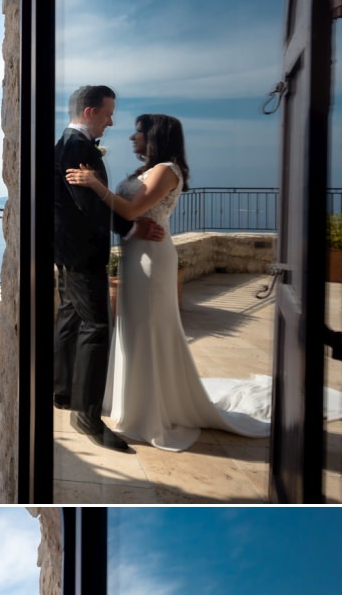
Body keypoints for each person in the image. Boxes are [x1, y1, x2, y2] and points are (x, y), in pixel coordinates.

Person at [66, 114, 280, 450]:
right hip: (136, 256)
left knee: (149, 326)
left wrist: (94, 183)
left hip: (153, 260)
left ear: (154, 137)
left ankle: (150, 410)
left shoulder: (167, 170)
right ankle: (130, 401)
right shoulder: (148, 171)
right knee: (134, 327)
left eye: (138, 132)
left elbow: (132, 210)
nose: (131, 138)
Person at [53, 85, 165, 453]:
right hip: (82, 253)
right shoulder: (76, 146)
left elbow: (87, 201)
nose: (111, 121)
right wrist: (130, 228)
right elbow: (87, 205)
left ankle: (64, 392)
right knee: (95, 327)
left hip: (69, 251)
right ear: (89, 113)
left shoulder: (71, 143)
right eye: (107, 114)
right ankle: (86, 416)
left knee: (71, 318)